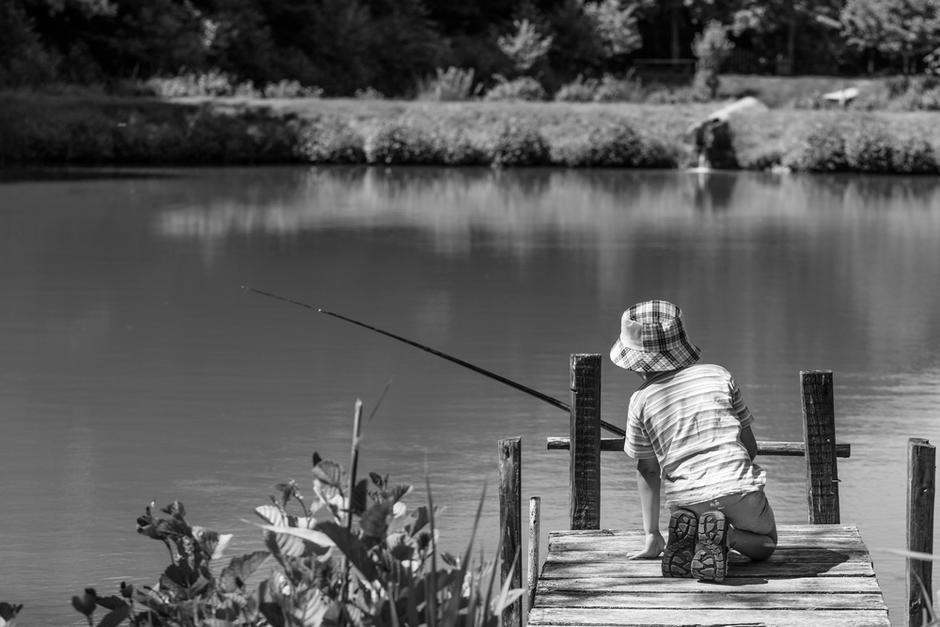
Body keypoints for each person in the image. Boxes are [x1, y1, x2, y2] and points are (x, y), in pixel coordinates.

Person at [609, 300, 777, 582]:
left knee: (698, 516)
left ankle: (695, 532)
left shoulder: (639, 401)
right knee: (767, 543)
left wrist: (651, 534)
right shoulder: (719, 375)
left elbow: (648, 470)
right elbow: (751, 448)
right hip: (739, 488)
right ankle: (729, 536)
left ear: (634, 363)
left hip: (686, 499)